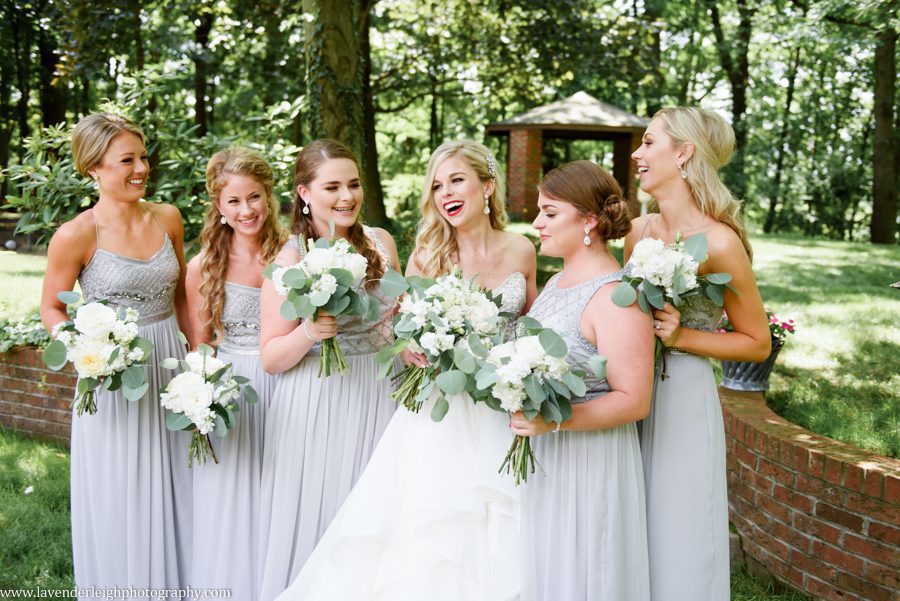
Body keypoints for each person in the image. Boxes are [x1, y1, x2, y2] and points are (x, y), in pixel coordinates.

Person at [272, 139, 537, 601]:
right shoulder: (427, 255)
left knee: (506, 528)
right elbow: (404, 329)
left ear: (487, 186)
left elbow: (532, 327)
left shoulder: (523, 250)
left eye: (456, 180)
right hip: (445, 413)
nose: (445, 192)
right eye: (436, 185)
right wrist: (414, 346)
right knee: (434, 531)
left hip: (503, 406)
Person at [40, 113, 192, 593]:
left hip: (169, 362)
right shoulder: (76, 235)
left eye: (143, 157)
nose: (142, 168)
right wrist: (85, 348)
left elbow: (182, 296)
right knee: (122, 487)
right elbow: (51, 306)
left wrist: (199, 360)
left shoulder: (167, 218)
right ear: (94, 168)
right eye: (127, 160)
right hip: (114, 375)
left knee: (180, 480)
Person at [626, 107, 771, 601]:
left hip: (684, 397)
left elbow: (757, 342)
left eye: (649, 143)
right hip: (631, 387)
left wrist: (681, 336)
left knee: (679, 521)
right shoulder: (638, 232)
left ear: (683, 153)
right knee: (633, 510)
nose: (637, 153)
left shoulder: (720, 242)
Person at [256, 139, 402, 601]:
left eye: (353, 185)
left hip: (380, 391)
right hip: (319, 400)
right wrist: (308, 333)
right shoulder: (288, 261)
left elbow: (397, 317)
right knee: (324, 511)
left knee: (377, 514)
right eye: (332, 187)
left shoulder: (381, 242)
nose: (347, 196)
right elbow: (271, 357)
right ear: (304, 193)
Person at [510, 160, 654, 601]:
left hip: (590, 462)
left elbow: (634, 399)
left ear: (589, 220)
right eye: (540, 211)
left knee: (581, 570)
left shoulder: (615, 298)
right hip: (546, 453)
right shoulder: (556, 281)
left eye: (550, 212)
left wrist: (554, 420)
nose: (537, 222)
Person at [184, 147, 288, 600]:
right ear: (218, 205)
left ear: (269, 196)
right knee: (232, 495)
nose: (246, 210)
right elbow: (201, 344)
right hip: (234, 389)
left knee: (281, 491)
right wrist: (201, 400)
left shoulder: (293, 254)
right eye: (234, 201)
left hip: (286, 382)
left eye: (254, 197)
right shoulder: (204, 267)